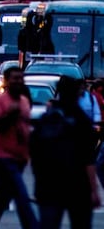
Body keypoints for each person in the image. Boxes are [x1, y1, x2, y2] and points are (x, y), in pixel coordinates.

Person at [31, 76, 101, 228]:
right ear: (77, 93)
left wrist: (38, 182)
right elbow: (88, 159)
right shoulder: (81, 120)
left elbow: (35, 154)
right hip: (77, 185)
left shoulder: (46, 118)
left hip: (49, 185)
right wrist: (94, 190)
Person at [0, 66, 38, 229]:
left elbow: (26, 127)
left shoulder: (25, 101)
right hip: (4, 157)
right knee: (22, 196)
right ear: (6, 81)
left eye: (21, 78)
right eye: (14, 78)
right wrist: (10, 115)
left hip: (20, 158)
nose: (18, 81)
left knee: (2, 199)